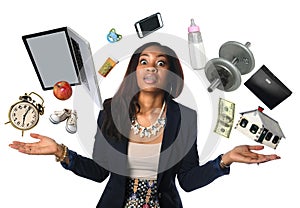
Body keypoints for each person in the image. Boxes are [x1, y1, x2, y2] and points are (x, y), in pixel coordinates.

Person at [9, 42, 280, 208]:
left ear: (170, 75)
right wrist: (60, 152)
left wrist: (224, 160)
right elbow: (99, 172)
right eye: (144, 62)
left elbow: (186, 180)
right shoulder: (110, 112)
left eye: (160, 63)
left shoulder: (185, 117)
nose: (151, 68)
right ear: (135, 72)